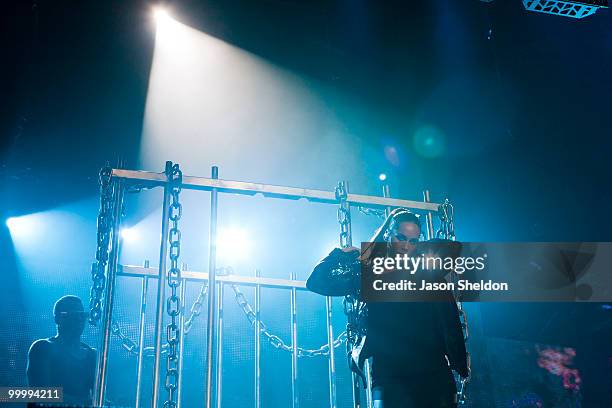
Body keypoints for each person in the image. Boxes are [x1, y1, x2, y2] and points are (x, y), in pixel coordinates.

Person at [308, 208, 469, 408]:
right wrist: (342, 255)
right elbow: (317, 282)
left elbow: (453, 248)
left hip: (434, 374)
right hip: (390, 375)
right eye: (400, 238)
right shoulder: (368, 274)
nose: (405, 246)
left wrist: (411, 248)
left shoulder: (427, 275)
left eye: (413, 241)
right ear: (387, 235)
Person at [27, 295, 97, 407]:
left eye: (82, 315)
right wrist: (82, 402)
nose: (79, 319)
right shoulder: (43, 348)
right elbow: (39, 394)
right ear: (58, 318)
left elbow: (99, 395)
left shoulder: (92, 354)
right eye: (73, 315)